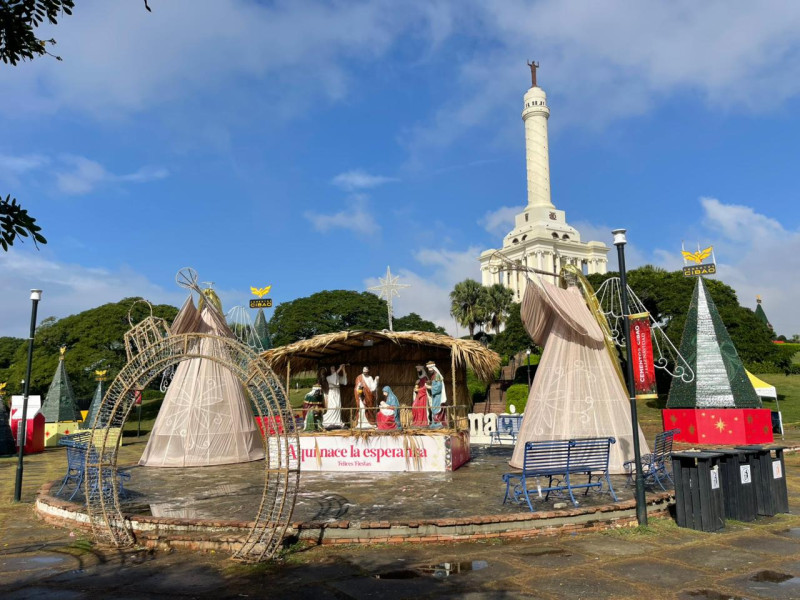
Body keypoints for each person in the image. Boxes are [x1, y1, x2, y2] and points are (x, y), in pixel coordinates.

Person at [322, 364, 347, 429]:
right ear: (330, 370)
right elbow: (334, 377)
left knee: (338, 406)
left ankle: (337, 422)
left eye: (334, 368)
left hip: (337, 393)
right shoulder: (328, 377)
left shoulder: (337, 376)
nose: (334, 369)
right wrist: (340, 368)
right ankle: (328, 421)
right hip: (332, 393)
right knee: (333, 406)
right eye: (332, 368)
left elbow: (344, 381)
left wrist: (343, 370)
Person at [425, 361, 447, 428]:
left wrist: (430, 387)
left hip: (438, 396)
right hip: (435, 396)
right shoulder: (433, 376)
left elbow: (438, 387)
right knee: (434, 408)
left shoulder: (437, 375)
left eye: (430, 369)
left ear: (433, 368)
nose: (429, 370)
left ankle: (438, 422)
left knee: (436, 408)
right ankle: (435, 422)